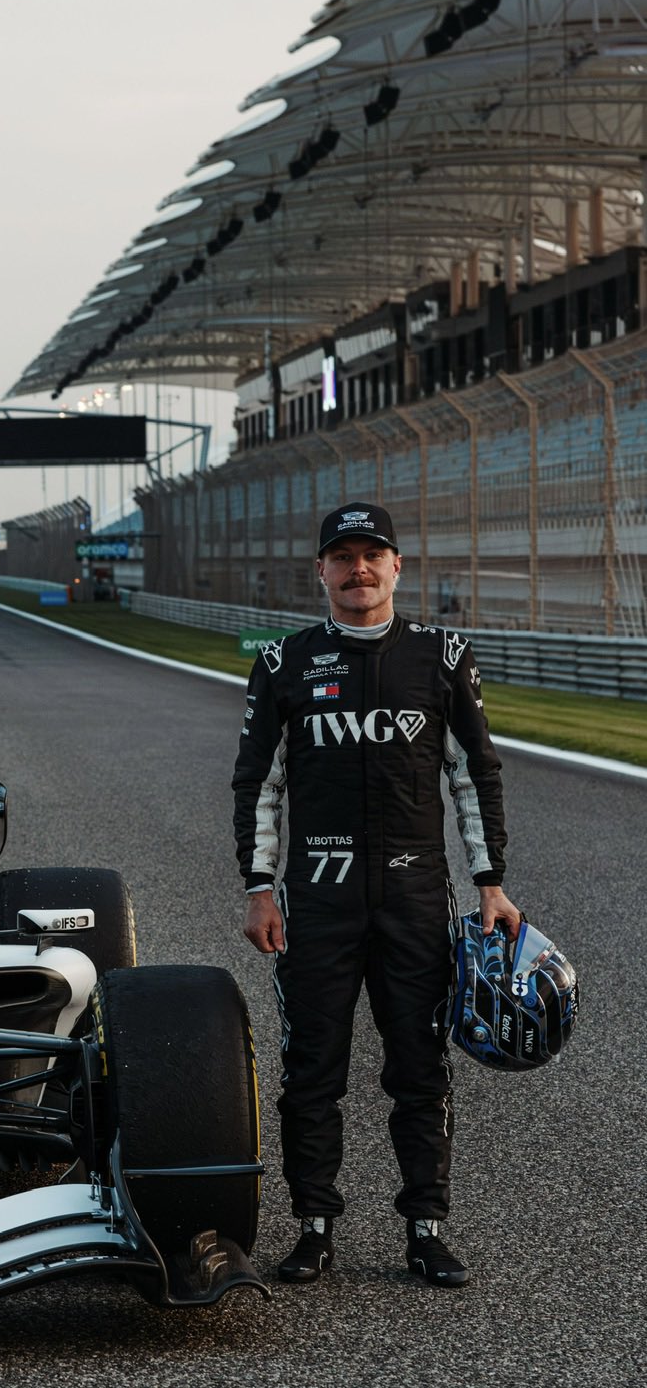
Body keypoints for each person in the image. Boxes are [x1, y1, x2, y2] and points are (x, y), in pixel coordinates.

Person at [232, 502, 518, 1289]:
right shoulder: (283, 661)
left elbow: (473, 775)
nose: (357, 569)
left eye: (371, 555)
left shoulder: (442, 655)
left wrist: (489, 883)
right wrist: (259, 888)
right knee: (310, 1072)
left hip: (414, 899)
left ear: (396, 566)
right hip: (316, 903)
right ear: (320, 571)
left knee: (419, 1070)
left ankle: (425, 1229)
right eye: (342, 557)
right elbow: (258, 784)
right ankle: (313, 1227)